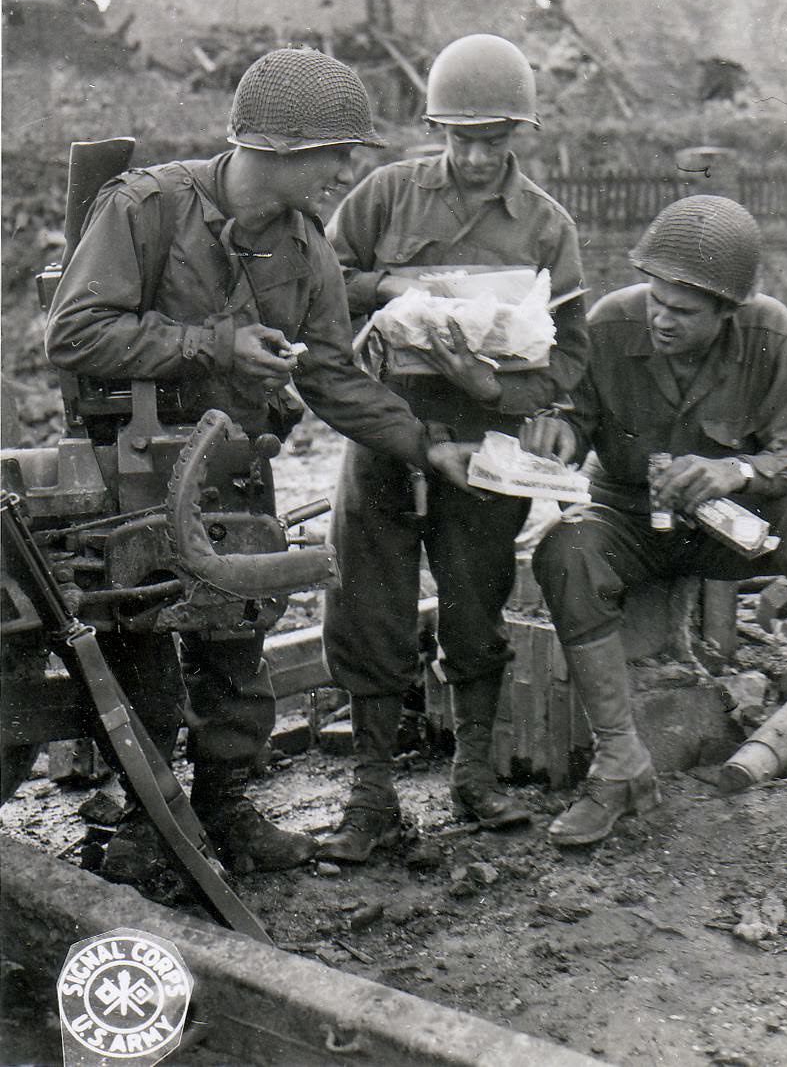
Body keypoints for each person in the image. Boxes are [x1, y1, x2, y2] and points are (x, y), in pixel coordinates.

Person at [45, 47, 475, 886]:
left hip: (233, 472)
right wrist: (212, 344)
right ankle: (148, 820)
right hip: (128, 470)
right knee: (140, 647)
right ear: (284, 149)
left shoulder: (306, 248)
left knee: (238, 651)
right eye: (335, 151)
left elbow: (329, 374)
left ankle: (227, 807)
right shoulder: (148, 208)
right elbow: (74, 332)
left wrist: (424, 443)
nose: (344, 168)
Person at [520, 193, 787, 847]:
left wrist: (739, 471)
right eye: (654, 300)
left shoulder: (769, 335)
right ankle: (618, 763)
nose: (661, 320)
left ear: (728, 312)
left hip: (733, 530)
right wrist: (558, 437)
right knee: (564, 549)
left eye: (683, 312)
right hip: (631, 522)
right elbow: (573, 418)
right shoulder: (609, 326)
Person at [321, 33, 590, 862]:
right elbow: (317, 281)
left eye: (494, 138)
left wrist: (501, 394)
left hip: (485, 441)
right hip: (386, 429)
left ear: (520, 133)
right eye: (460, 137)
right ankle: (370, 796)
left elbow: (571, 355)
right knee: (369, 602)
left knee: (475, 603)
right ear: (436, 129)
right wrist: (384, 287)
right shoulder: (385, 196)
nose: (475, 156)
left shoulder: (544, 226)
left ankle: (473, 775)